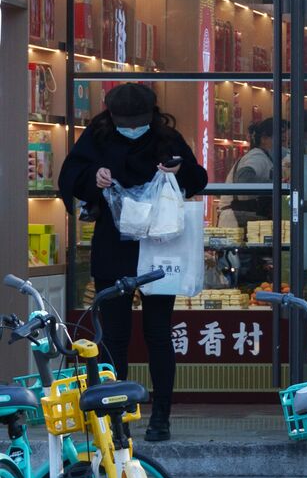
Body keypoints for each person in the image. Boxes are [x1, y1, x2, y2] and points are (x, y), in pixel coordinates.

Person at [58, 82, 208, 443]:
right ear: (112, 116)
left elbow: (197, 177)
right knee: (114, 337)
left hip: (160, 247)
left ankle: (161, 417)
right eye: (125, 122)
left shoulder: (166, 138)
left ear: (151, 116)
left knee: (158, 333)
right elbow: (69, 177)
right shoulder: (97, 137)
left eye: (137, 121)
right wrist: (93, 179)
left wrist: (178, 170)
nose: (132, 128)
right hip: (115, 247)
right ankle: (115, 417)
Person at [217, 117, 285, 228]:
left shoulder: (266, 158)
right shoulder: (257, 156)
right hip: (236, 219)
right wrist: (273, 184)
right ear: (264, 139)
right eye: (282, 141)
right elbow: (243, 180)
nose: (285, 145)